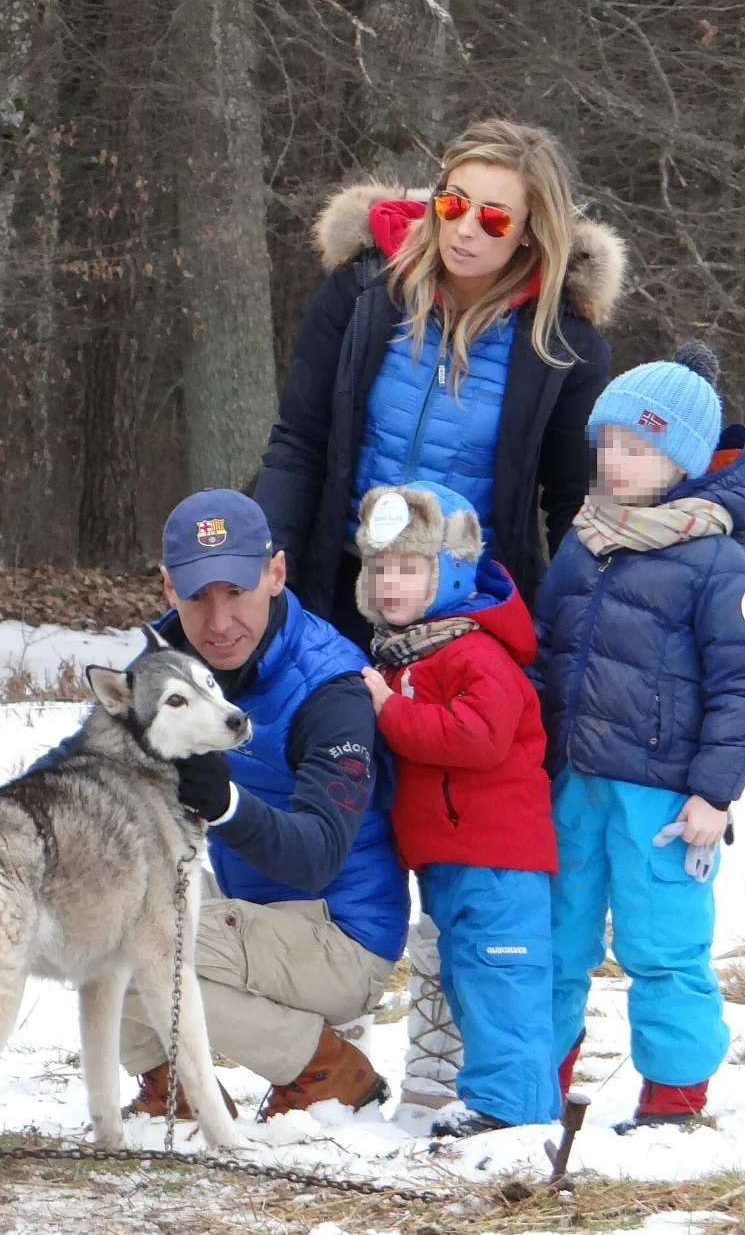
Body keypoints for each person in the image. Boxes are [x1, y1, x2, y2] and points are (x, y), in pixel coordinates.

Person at [254, 117, 626, 1113]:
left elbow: (570, 504)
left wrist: (560, 638)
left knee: (459, 836)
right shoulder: (362, 292)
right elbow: (298, 438)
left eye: (493, 216)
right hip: (343, 599)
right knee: (333, 812)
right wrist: (270, 562)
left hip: (465, 627)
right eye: (453, 202)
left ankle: (446, 1060)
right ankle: (318, 1056)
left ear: (531, 230)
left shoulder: (564, 342)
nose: (464, 229)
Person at [34, 490, 409, 1121]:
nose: (218, 621)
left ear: (275, 573)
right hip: (244, 916)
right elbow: (90, 760)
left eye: (236, 590)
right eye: (197, 596)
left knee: (134, 942)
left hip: (341, 936)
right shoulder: (166, 662)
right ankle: (172, 1085)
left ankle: (325, 1070)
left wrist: (226, 803)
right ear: (168, 587)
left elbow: (318, 857)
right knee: (88, 914)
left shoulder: (330, 687)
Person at [531, 344, 745, 1132]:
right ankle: (537, 1082)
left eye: (636, 447)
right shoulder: (586, 541)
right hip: (575, 784)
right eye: (607, 443)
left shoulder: (721, 563)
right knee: (555, 937)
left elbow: (740, 690)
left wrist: (714, 793)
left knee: (663, 944)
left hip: (664, 798)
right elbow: (546, 651)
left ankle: (674, 1096)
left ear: (684, 460)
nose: (615, 461)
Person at [355, 481, 559, 1137]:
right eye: (380, 569)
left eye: (409, 568)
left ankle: (517, 1113)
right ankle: (494, 1100)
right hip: (450, 856)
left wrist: (391, 711)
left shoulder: (474, 650)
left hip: (497, 855)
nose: (391, 583)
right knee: (469, 977)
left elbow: (478, 737)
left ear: (449, 572)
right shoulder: (408, 652)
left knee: (503, 975)